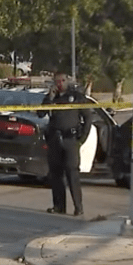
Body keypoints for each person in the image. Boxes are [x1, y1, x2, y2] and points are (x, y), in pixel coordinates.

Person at [38, 72, 93, 216]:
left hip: (71, 139)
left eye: (62, 80)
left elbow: (87, 118)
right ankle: (59, 206)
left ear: (67, 81)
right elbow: (40, 113)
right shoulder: (51, 97)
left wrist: (82, 139)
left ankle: (78, 207)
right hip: (55, 139)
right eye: (57, 81)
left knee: (72, 173)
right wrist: (49, 98)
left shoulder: (76, 97)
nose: (60, 84)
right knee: (55, 174)